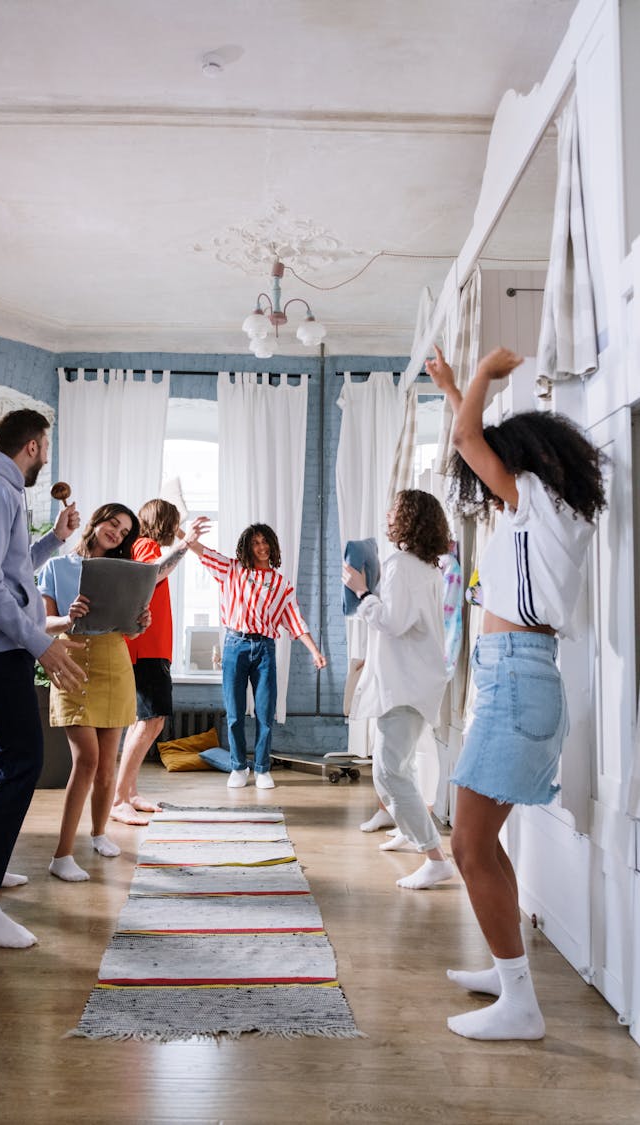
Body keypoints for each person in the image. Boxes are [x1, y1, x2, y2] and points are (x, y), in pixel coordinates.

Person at [426, 343, 606, 1041]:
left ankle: (521, 1005)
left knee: (469, 848)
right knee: (482, 842)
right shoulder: (545, 507)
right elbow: (472, 441)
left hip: (517, 676)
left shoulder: (535, 501)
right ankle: (509, 976)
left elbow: (471, 439)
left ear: (524, 461)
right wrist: (448, 386)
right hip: (517, 673)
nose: (485, 478)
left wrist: (480, 376)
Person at [0, 408, 85, 948]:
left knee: (8, 756)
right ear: (32, 446)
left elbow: (11, 570)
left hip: (3, 641)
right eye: (46, 447)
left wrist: (53, 539)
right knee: (26, 759)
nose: (47, 458)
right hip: (0, 643)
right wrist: (40, 642)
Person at [343, 490, 455, 890]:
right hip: (414, 680)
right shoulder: (425, 567)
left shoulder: (402, 565)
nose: (387, 514)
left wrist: (361, 591)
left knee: (391, 767)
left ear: (408, 519)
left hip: (406, 684)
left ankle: (434, 856)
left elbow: (392, 622)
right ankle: (411, 831)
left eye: (394, 509)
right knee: (397, 765)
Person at [38, 502, 149, 881]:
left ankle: (100, 833)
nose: (117, 533)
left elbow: (128, 631)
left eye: (124, 531)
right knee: (86, 759)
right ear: (98, 521)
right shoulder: (57, 567)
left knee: (106, 766)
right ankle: (62, 855)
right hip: (71, 659)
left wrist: (140, 623)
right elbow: (43, 624)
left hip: (114, 662)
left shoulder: (124, 572)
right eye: (113, 524)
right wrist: (69, 618)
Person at [187, 523, 327, 789]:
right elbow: (201, 551)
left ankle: (262, 769)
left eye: (265, 542)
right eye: (255, 542)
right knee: (235, 713)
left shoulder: (281, 585)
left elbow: (295, 621)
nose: (261, 547)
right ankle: (238, 767)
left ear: (272, 546)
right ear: (247, 547)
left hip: (264, 649)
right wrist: (187, 535)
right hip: (234, 646)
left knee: (265, 712)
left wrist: (315, 651)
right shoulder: (231, 570)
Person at [111, 501, 210, 825]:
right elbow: (151, 575)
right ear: (165, 523)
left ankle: (130, 793)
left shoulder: (144, 545)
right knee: (151, 721)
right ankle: (119, 799)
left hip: (151, 650)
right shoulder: (145, 544)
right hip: (145, 651)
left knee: (144, 722)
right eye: (175, 524)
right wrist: (184, 544)